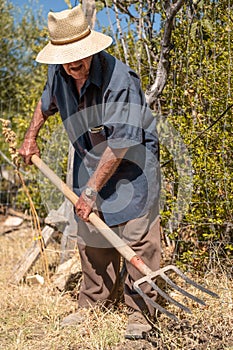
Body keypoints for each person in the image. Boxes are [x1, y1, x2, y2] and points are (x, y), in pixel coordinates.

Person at [19, 5, 161, 340]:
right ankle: (93, 304)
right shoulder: (59, 72)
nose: (72, 64)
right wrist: (30, 137)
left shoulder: (120, 81)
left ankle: (141, 314)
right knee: (92, 237)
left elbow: (122, 144)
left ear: (93, 49)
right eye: (65, 58)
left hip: (132, 164)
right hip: (90, 159)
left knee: (136, 237)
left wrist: (91, 191)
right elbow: (46, 103)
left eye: (78, 56)